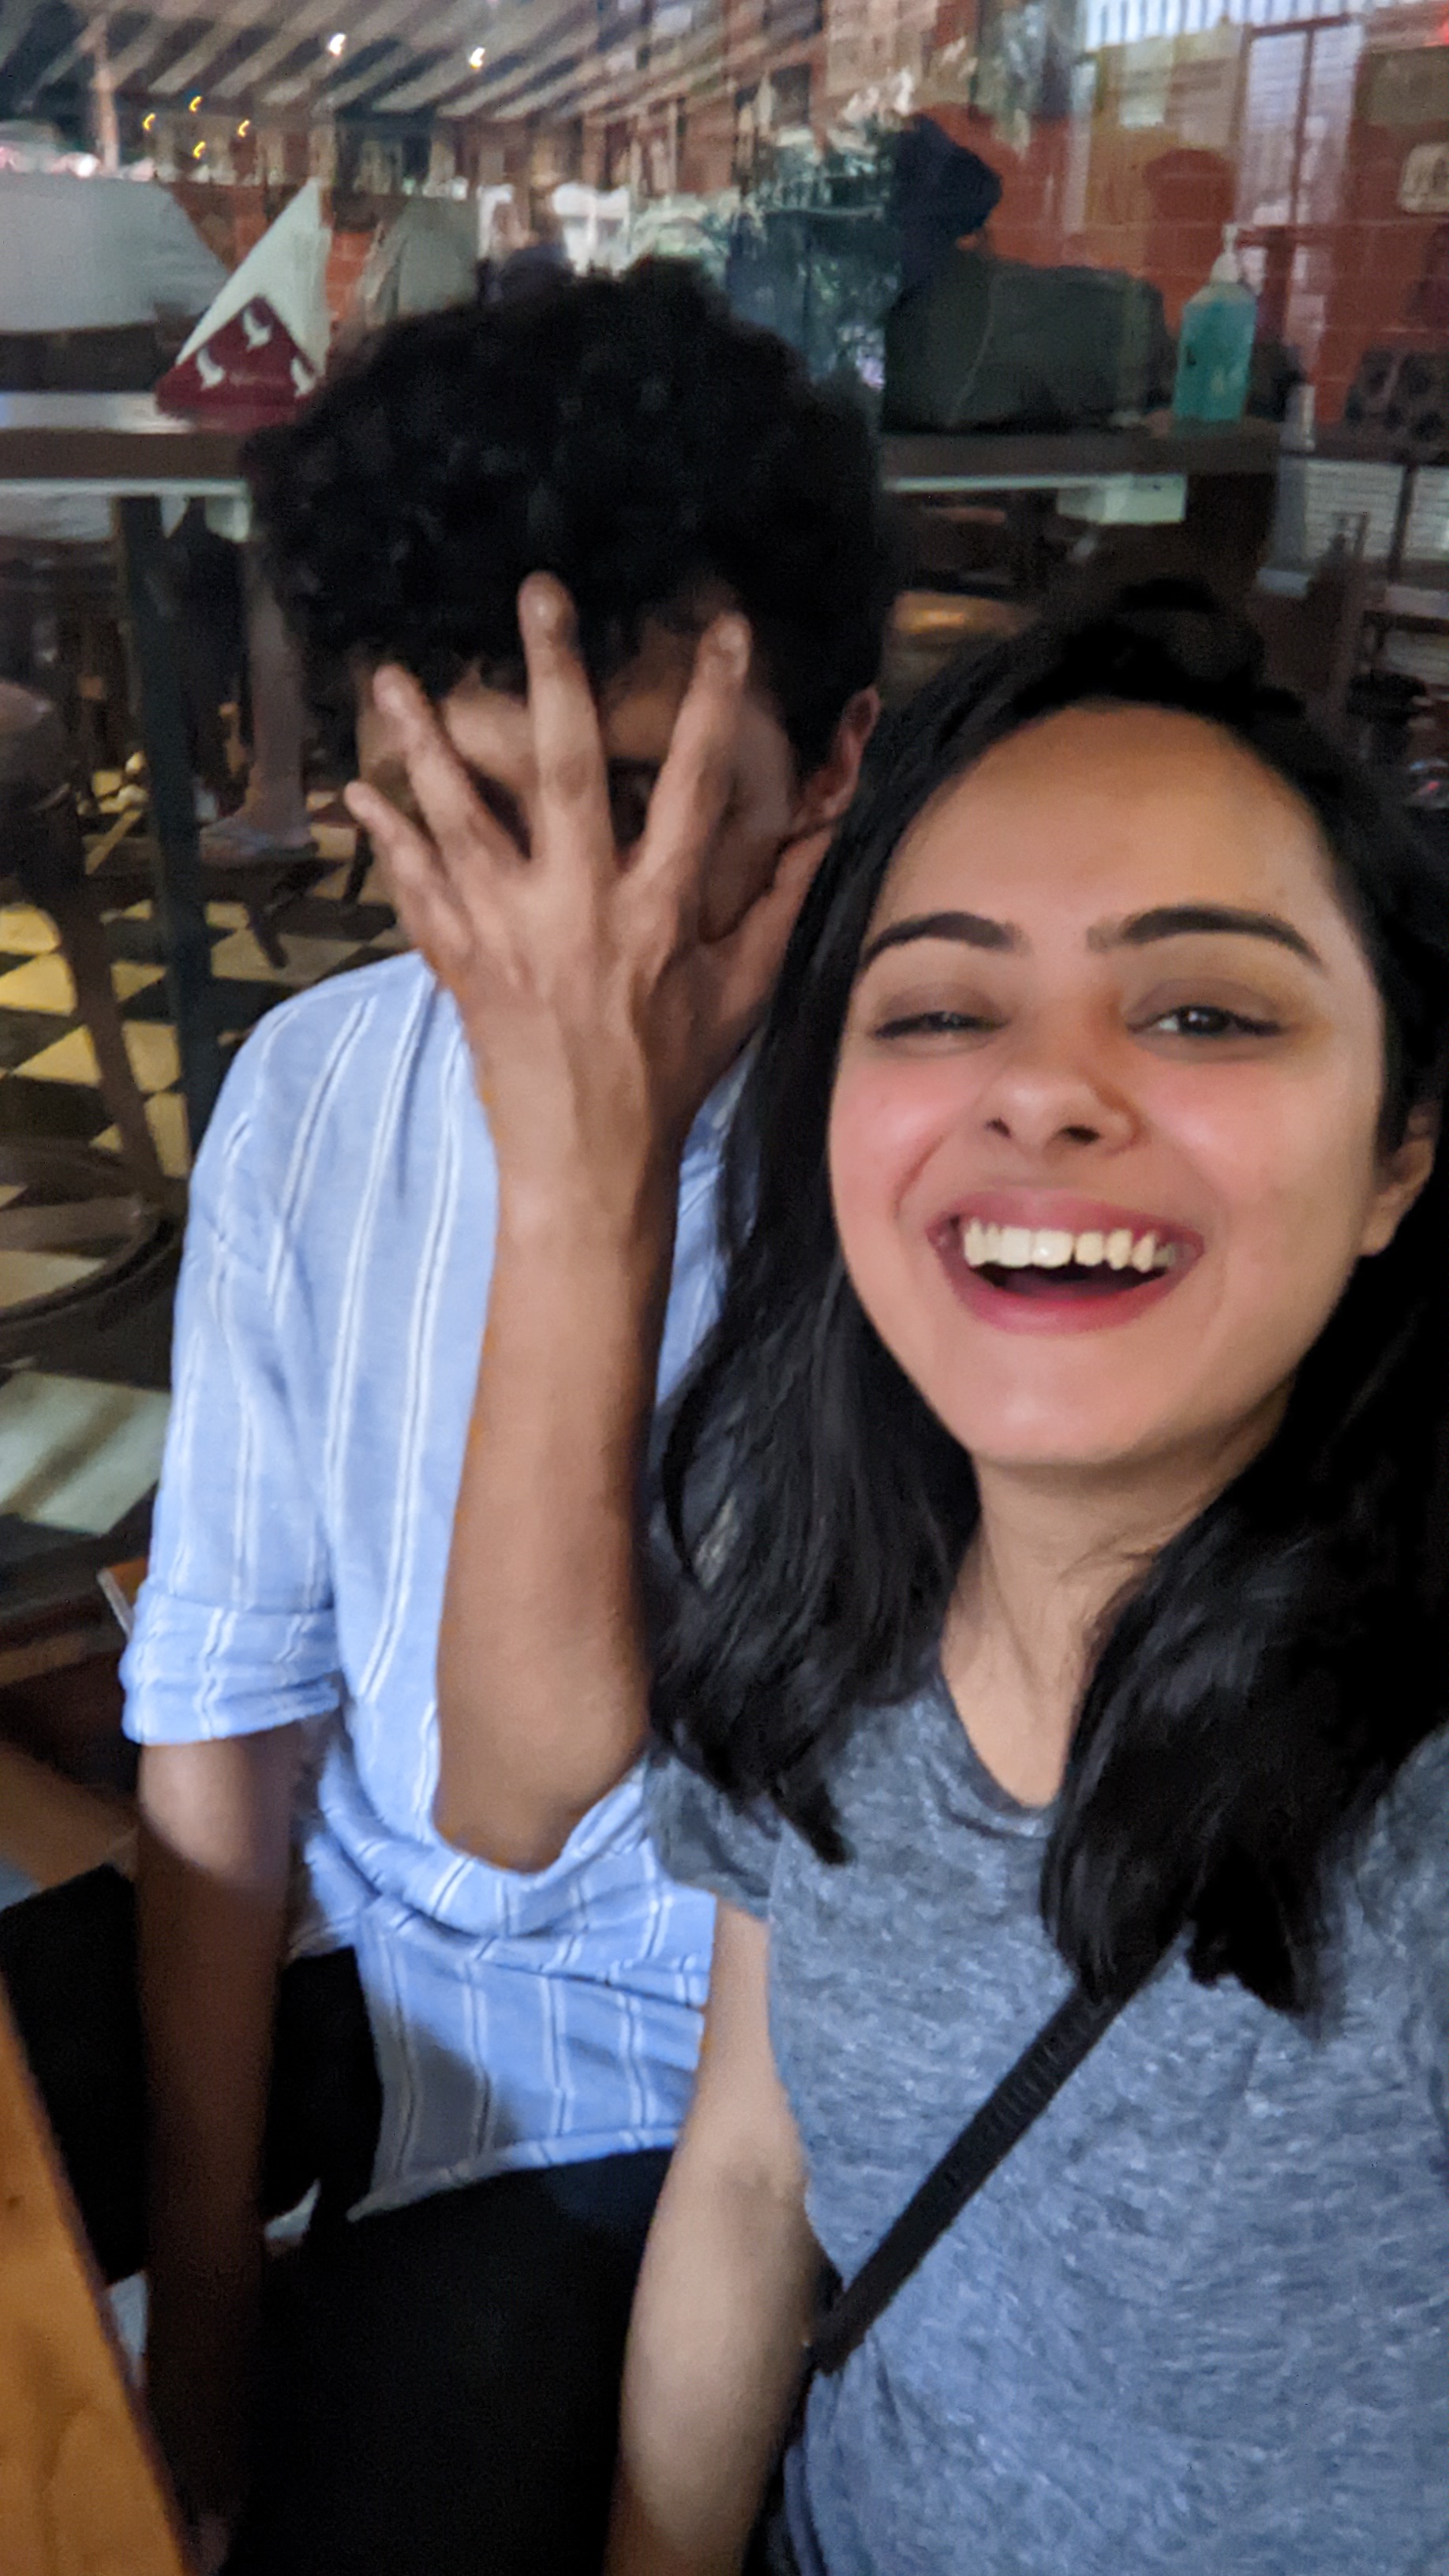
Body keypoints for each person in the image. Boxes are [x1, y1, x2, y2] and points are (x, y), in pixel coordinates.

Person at [422, 582, 1449, 2570]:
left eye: (1206, 1011)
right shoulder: (808, 1560)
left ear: (1400, 1150)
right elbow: (752, 2169)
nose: (1044, 1089)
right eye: (942, 1011)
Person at [17, 263, 886, 2576]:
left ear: (830, 773)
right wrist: (205, 2332)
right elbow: (230, 1708)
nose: (552, 914)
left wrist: (593, 1169)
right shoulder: (313, 1087)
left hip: (691, 2099)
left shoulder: (922, 1165)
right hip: (365, 1964)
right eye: (471, 812)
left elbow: (540, 1798)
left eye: (639, 804)